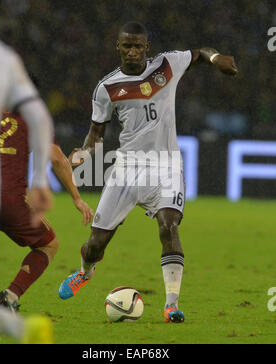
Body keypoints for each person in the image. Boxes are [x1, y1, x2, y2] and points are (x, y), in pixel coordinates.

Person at [59, 21, 238, 323]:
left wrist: (216, 57)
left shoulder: (166, 65)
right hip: (127, 169)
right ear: (118, 47)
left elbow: (199, 53)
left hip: (166, 166)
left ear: (147, 48)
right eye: (126, 45)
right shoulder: (107, 88)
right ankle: (84, 272)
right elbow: (96, 133)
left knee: (169, 227)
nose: (132, 51)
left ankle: (171, 304)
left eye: (137, 46)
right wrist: (83, 153)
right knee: (95, 244)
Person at [0, 0, 54, 343]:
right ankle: (14, 316)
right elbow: (40, 119)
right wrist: (39, 182)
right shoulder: (2, 59)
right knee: (48, 246)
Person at [0, 111, 94, 312]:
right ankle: (10, 296)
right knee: (48, 245)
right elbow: (56, 159)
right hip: (8, 197)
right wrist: (77, 198)